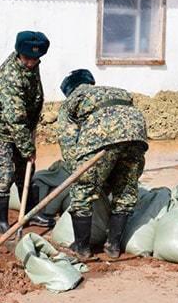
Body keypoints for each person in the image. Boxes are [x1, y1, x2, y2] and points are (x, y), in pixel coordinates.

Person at [57, 69, 149, 260]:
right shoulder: (115, 91)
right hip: (137, 134)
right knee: (126, 190)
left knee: (83, 190)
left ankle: (81, 248)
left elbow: (67, 140)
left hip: (104, 134)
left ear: (70, 89)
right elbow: (126, 118)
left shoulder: (72, 99)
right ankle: (113, 246)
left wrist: (80, 174)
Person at [0, 31, 49, 233]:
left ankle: (30, 212)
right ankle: (1, 223)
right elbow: (14, 117)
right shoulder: (10, 75)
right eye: (27, 58)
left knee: (26, 170)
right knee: (6, 173)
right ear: (19, 52)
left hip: (21, 127)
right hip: (0, 129)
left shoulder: (32, 66)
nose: (30, 62)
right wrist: (28, 147)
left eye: (34, 59)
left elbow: (33, 98)